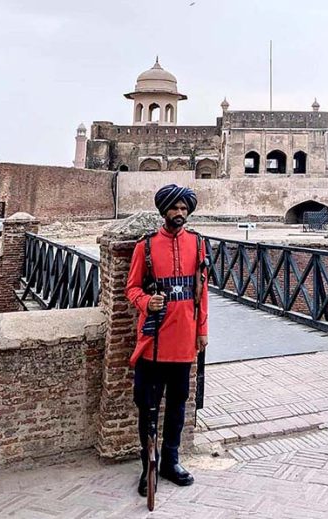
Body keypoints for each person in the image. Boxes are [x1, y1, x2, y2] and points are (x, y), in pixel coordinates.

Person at [126, 184, 209, 495]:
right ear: (164, 211)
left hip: (185, 341)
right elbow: (132, 288)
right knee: (147, 407)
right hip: (153, 343)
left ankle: (170, 461)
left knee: (176, 406)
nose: (180, 214)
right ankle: (148, 465)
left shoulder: (199, 245)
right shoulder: (145, 248)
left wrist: (202, 330)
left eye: (184, 209)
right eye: (174, 208)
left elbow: (202, 296)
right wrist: (147, 302)